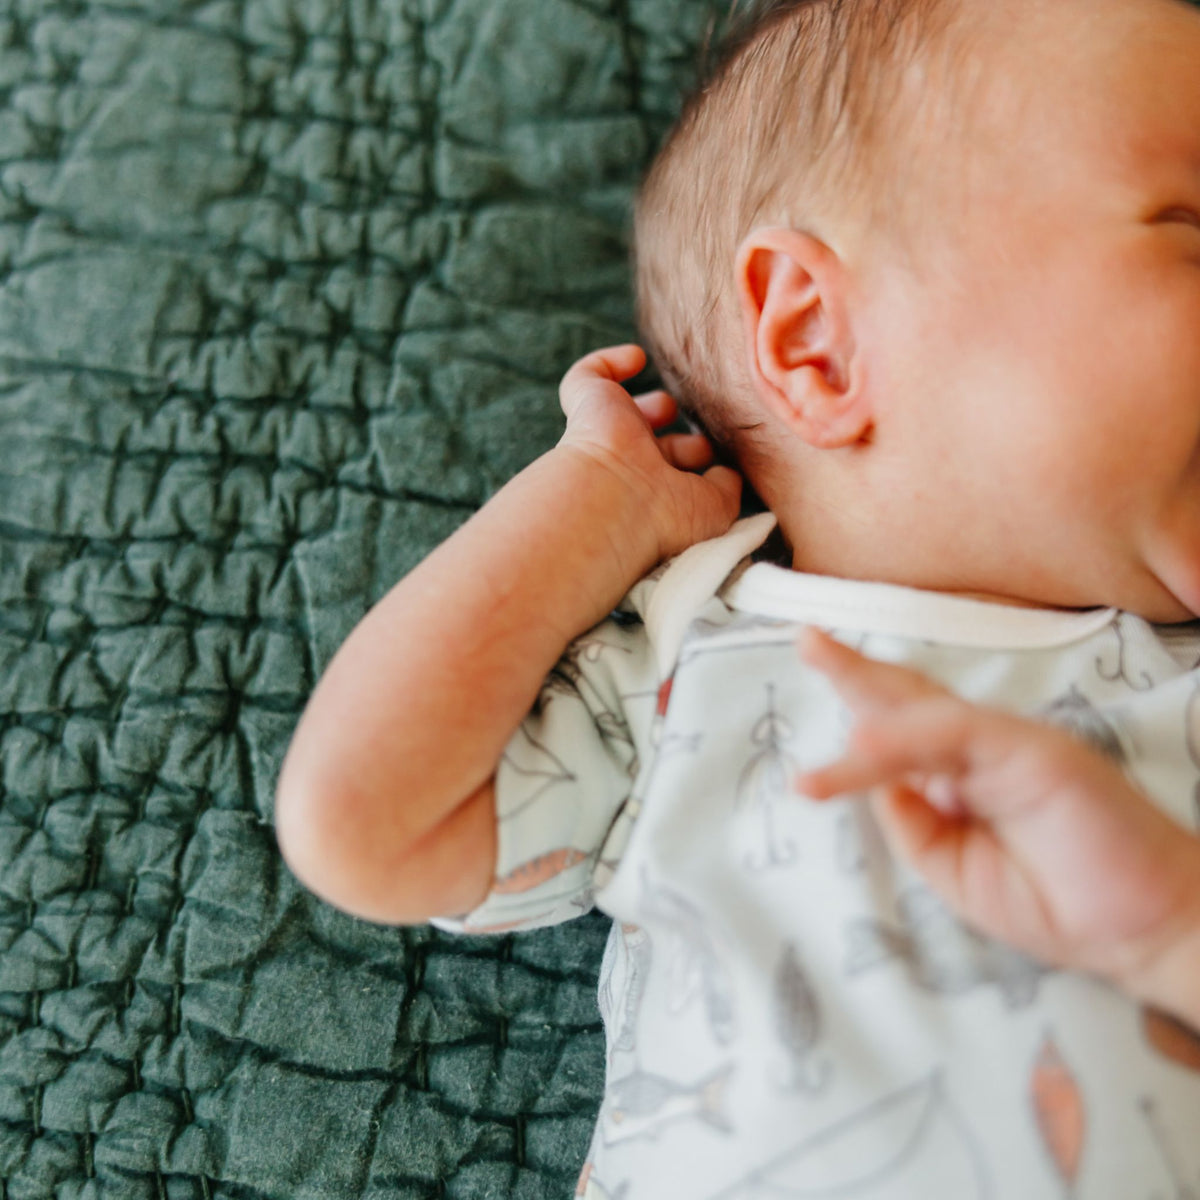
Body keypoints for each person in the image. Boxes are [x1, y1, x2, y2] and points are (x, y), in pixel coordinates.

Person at [273, 0, 1200, 1194]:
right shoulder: (692, 657)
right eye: (1190, 231)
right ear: (815, 342)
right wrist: (595, 505)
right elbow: (362, 822)